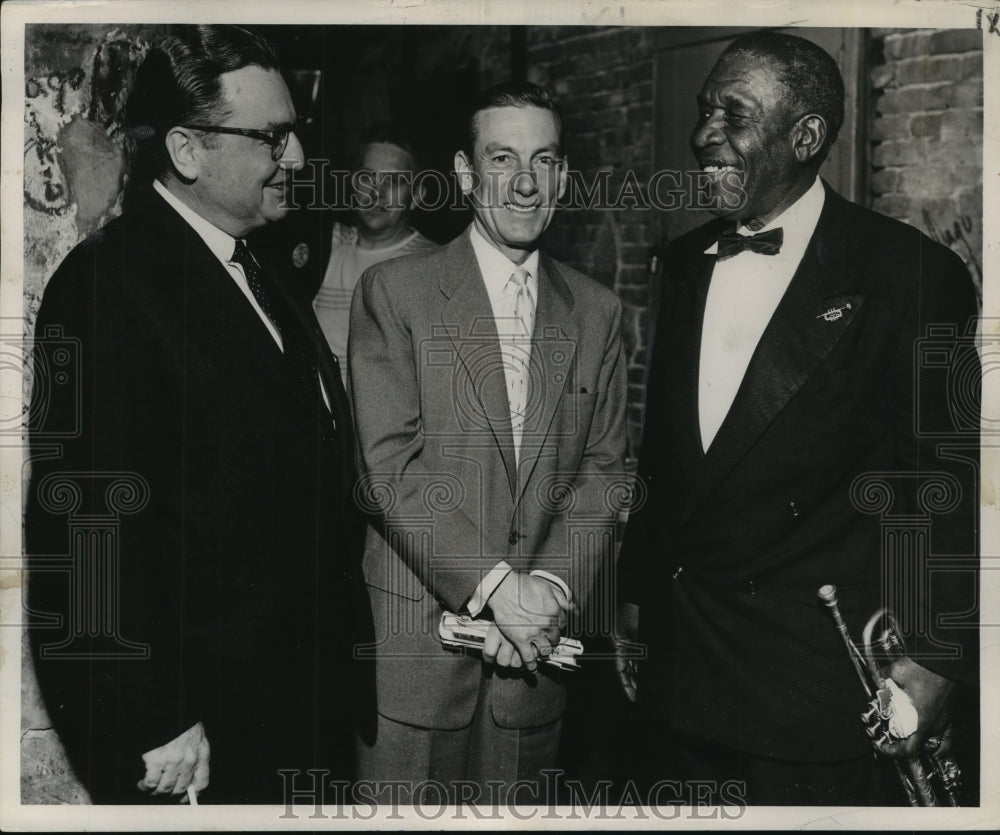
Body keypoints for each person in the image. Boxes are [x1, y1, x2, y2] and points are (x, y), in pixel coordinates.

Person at [616, 31, 979, 805]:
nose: (702, 134)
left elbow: (944, 484)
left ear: (807, 135)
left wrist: (941, 658)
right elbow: (669, 459)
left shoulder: (915, 276)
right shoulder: (682, 266)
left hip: (814, 702)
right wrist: (635, 597)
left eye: (732, 114)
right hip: (679, 679)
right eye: (704, 109)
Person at [25, 24, 371, 804]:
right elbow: (84, 522)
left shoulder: (257, 262)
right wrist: (153, 715)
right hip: (201, 733)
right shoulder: (108, 283)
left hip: (293, 705)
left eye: (297, 133)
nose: (297, 160)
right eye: (272, 137)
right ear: (186, 151)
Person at [348, 81, 627, 801]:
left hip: (532, 668)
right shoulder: (395, 293)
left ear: (562, 176)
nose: (526, 182)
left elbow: (603, 472)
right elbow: (388, 468)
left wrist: (551, 593)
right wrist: (501, 589)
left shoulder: (596, 311)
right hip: (415, 662)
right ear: (468, 175)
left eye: (544, 160)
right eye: (502, 159)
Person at [313, 128, 437, 386]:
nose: (376, 193)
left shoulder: (432, 265)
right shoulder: (328, 245)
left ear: (416, 196)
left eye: (393, 181)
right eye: (367, 178)